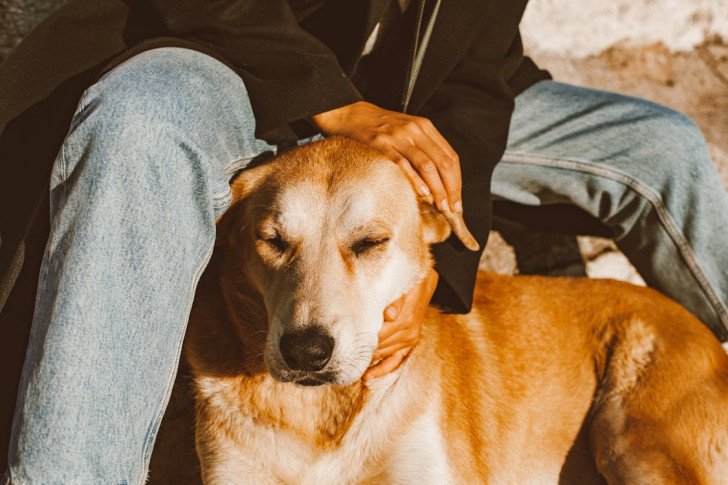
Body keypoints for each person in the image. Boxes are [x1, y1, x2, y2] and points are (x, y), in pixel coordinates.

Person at [1, 0, 726, 483]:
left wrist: (433, 269)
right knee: (138, 119)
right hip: (240, 71)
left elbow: (477, 74)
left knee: (658, 141)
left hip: (406, 112)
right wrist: (342, 106)